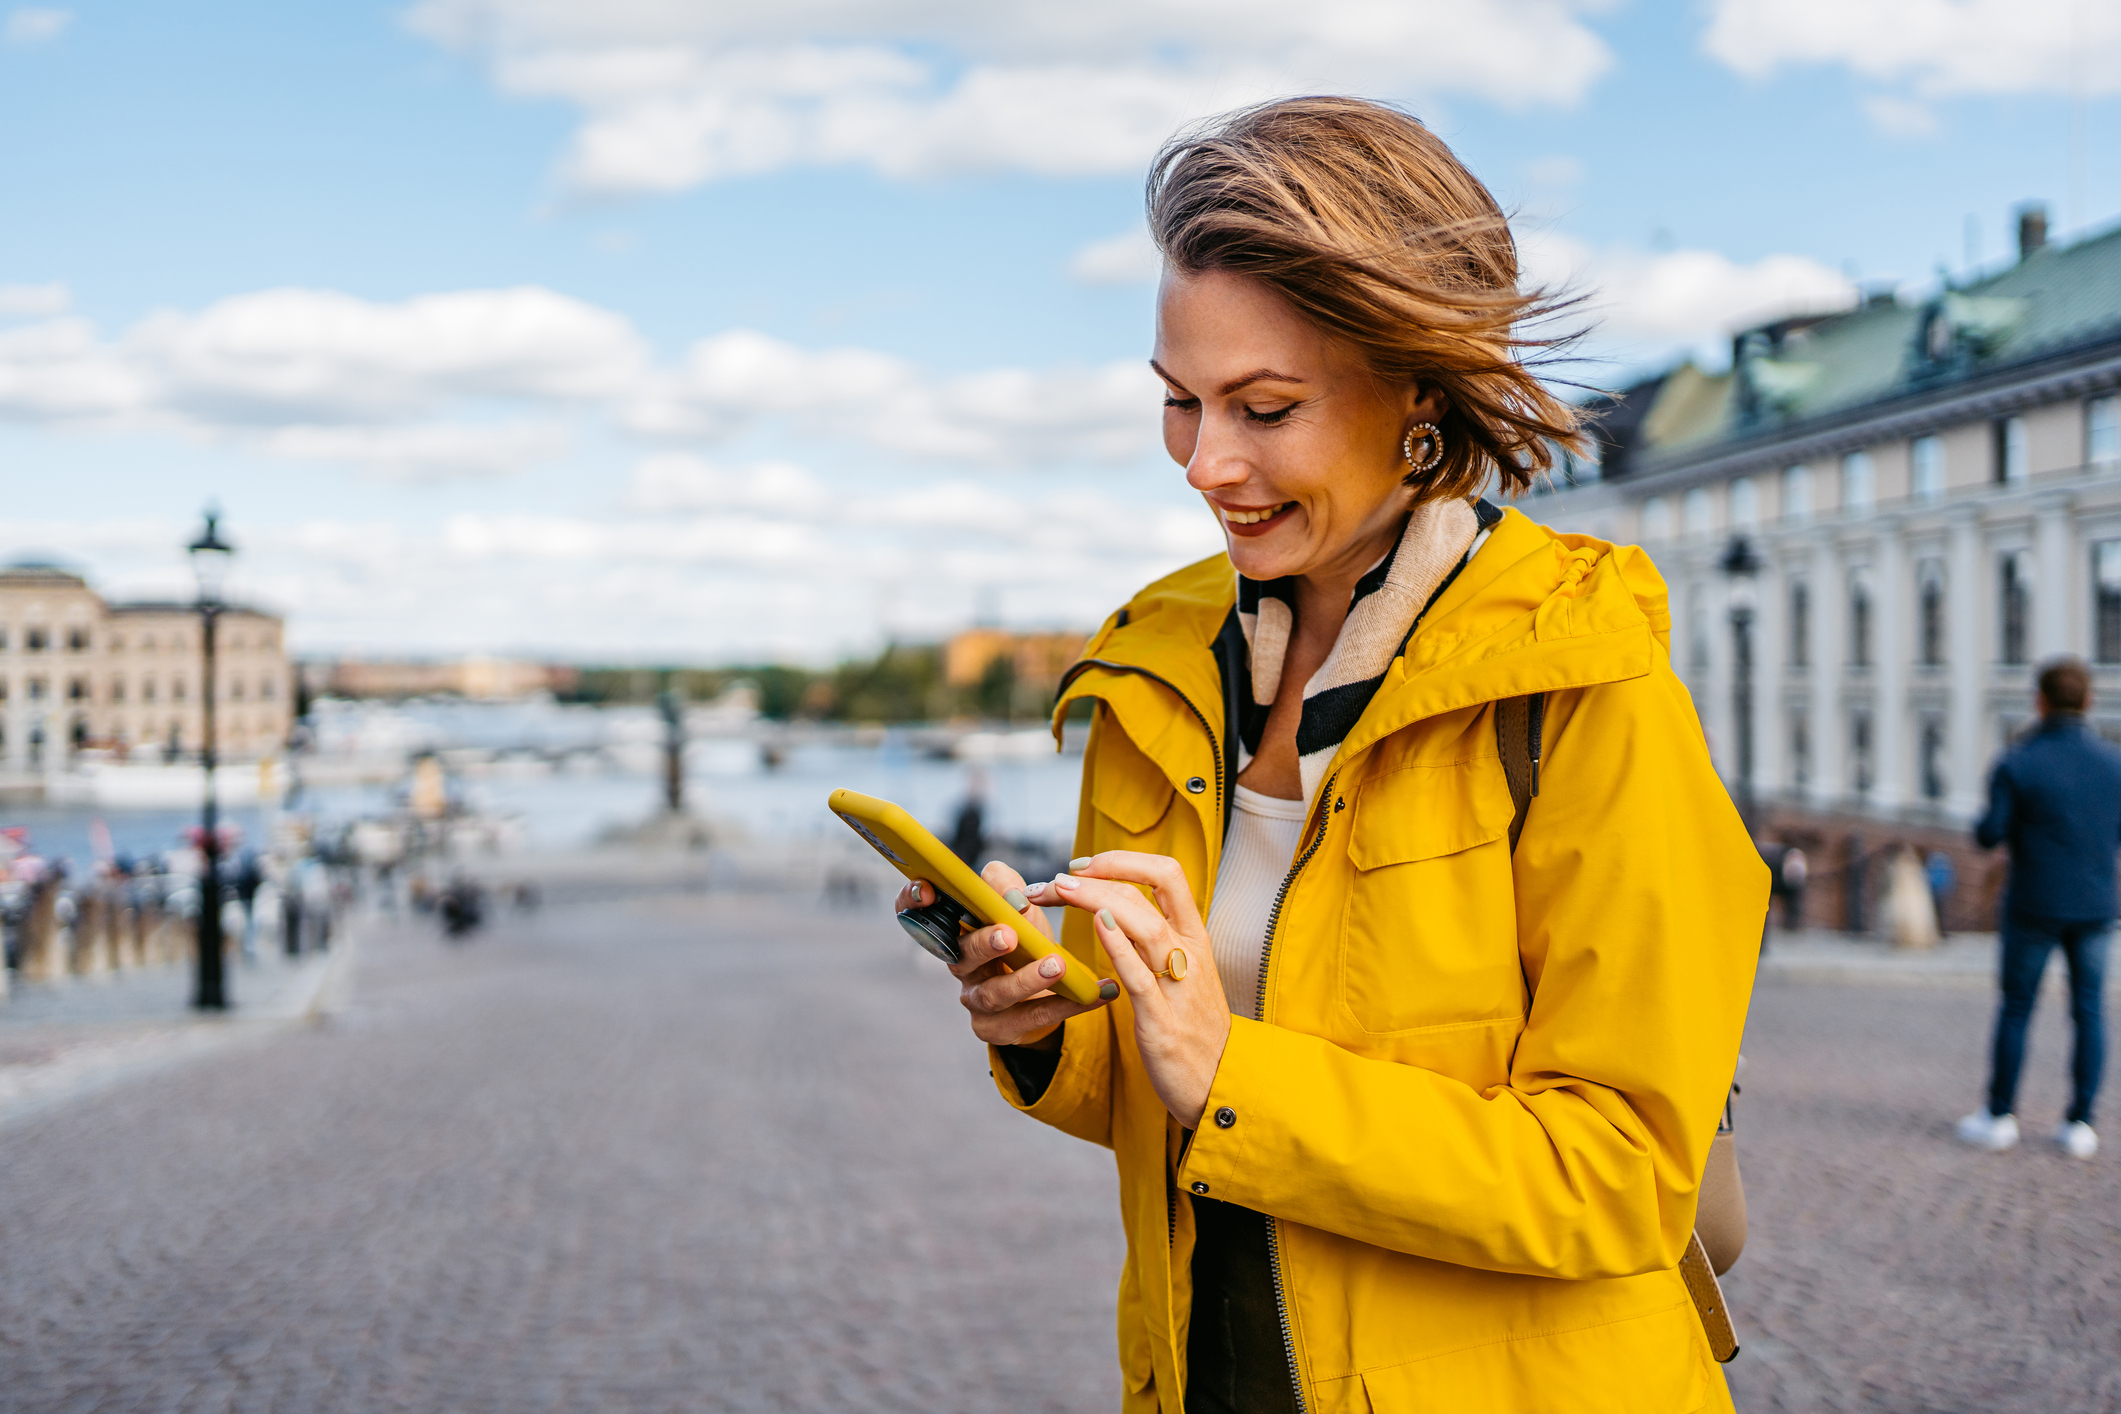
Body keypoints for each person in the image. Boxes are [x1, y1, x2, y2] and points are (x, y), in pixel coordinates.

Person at [894, 98, 1766, 1412]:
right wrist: (1045, 1028)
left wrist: (1232, 1072)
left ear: (1421, 388)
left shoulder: (1586, 683)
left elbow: (1625, 1176)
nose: (1205, 462)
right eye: (1179, 403)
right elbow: (1170, 1100)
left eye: (1264, 406)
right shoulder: (1157, 672)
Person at [1958, 657, 2121, 1159]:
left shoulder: (2017, 761)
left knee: (2017, 1008)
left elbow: (1989, 834)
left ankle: (2000, 1115)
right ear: (2088, 701)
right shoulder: (2114, 762)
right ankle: (2080, 1124)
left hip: (2033, 904)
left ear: (2040, 701)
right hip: (2094, 904)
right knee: (2089, 1010)